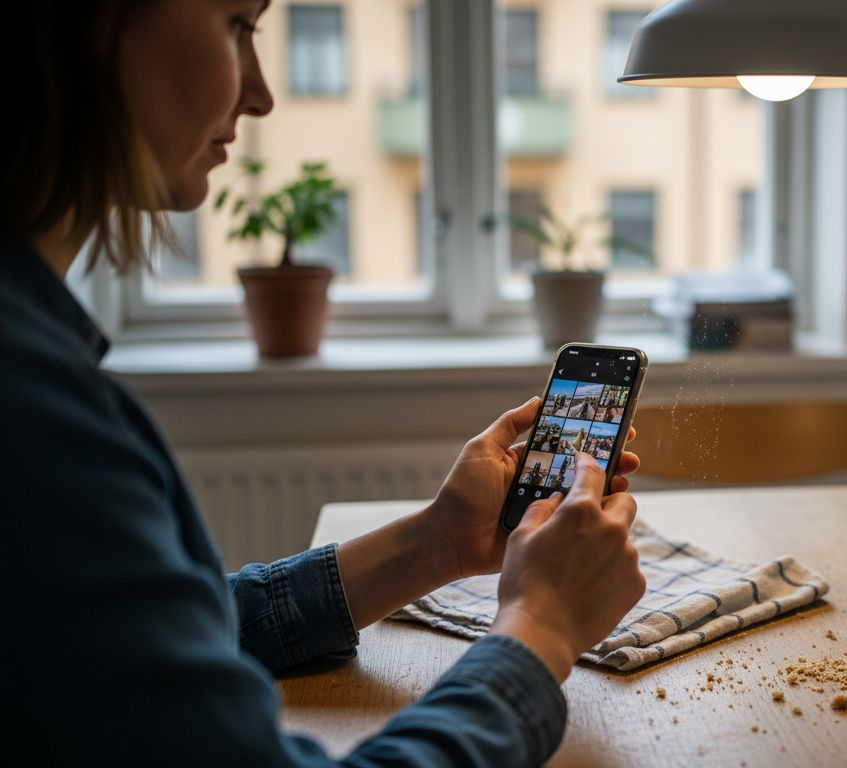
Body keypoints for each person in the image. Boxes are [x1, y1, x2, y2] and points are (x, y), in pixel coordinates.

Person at [1, 2, 645, 766]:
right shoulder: (36, 419)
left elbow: (152, 640)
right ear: (92, 29)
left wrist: (438, 543)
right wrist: (541, 627)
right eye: (238, 25)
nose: (261, 93)